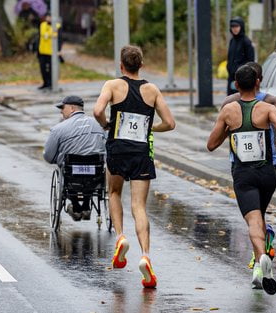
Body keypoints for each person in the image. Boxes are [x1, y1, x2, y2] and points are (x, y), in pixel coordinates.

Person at [93, 45, 175, 289]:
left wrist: (107, 123)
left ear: (121, 66)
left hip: (117, 148)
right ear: (141, 65)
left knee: (114, 193)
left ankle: (120, 238)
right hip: (141, 151)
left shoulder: (112, 85)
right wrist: (151, 128)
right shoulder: (152, 90)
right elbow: (170, 123)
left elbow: (97, 110)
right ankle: (145, 256)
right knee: (139, 206)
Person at [207, 64, 276, 295]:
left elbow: (211, 145)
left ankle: (262, 257)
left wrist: (229, 130)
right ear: (257, 83)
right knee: (260, 217)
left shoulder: (228, 110)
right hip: (267, 173)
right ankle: (258, 270)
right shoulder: (266, 108)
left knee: (253, 221)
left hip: (244, 174)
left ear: (235, 84)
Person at [43, 95, 106, 221]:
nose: (61, 111)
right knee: (90, 176)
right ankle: (86, 205)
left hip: (71, 172)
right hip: (95, 171)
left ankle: (76, 207)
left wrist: (58, 159)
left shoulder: (58, 129)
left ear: (71, 108)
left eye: (62, 108)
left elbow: (48, 157)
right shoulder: (100, 125)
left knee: (67, 174)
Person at [227, 17, 255, 96]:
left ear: (241, 27)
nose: (234, 29)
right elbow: (230, 58)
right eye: (233, 27)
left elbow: (250, 61)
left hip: (242, 78)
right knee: (230, 101)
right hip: (232, 77)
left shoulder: (246, 42)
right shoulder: (232, 41)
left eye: (237, 26)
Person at [38, 14, 61, 89]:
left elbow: (57, 37)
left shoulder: (57, 26)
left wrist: (59, 50)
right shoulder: (43, 25)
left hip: (52, 52)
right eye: (48, 17)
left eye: (50, 17)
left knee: (52, 69)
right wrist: (51, 34)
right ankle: (45, 83)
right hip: (42, 50)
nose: (49, 18)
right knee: (43, 68)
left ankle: (51, 83)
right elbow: (44, 35)